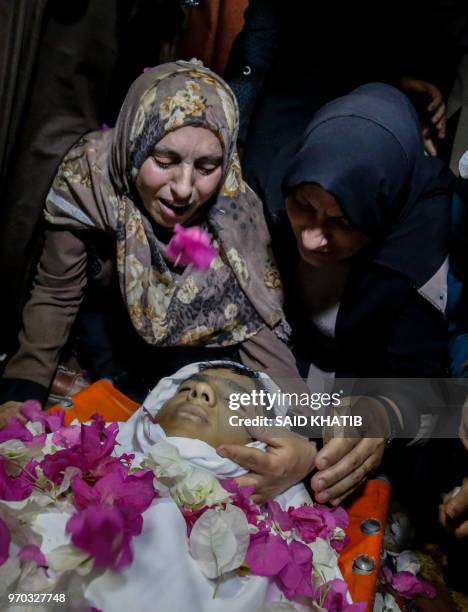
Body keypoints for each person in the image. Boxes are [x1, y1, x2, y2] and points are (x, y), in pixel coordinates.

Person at [0, 62, 320, 503]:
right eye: (164, 161)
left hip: (180, 378)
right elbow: (56, 292)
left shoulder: (235, 214)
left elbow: (261, 332)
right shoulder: (91, 177)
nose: (184, 189)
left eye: (207, 167)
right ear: (134, 143)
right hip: (102, 347)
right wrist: (21, 393)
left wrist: (307, 443)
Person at [232, 82, 456, 509]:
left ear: (382, 213)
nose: (314, 238)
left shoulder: (419, 247)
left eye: (342, 221)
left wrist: (379, 415)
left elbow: (430, 388)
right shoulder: (268, 187)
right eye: (304, 206)